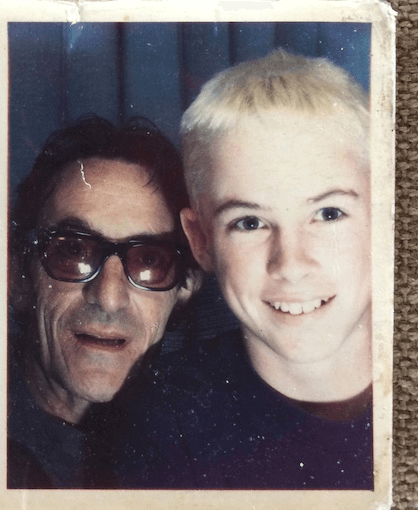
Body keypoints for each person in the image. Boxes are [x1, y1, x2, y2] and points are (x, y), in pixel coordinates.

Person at [114, 49, 373, 489]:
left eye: (328, 214)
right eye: (249, 222)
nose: (291, 264)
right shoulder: (166, 427)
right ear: (201, 241)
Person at [7, 115, 201, 488]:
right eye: (74, 250)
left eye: (149, 259)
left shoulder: (197, 452)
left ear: (186, 287)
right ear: (17, 276)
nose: (109, 298)